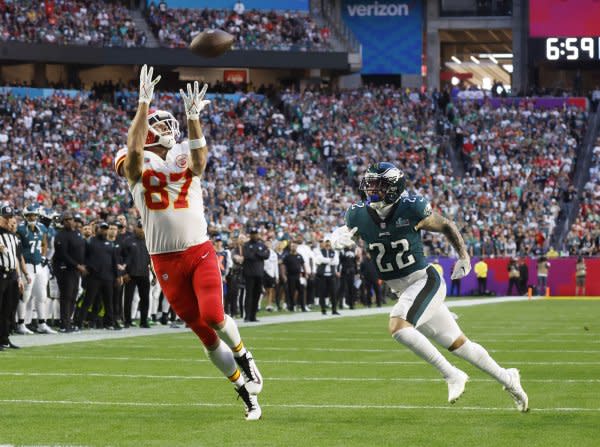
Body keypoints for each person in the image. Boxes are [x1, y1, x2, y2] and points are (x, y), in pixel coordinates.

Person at [117, 65, 262, 420]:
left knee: (213, 315)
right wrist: (142, 104)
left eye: (169, 123)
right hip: (163, 259)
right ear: (147, 133)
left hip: (198, 249)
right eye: (159, 125)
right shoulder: (134, 156)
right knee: (203, 333)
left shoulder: (184, 150)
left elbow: (199, 162)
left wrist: (194, 119)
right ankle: (243, 389)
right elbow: (133, 158)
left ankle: (245, 355)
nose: (167, 129)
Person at [330, 162, 528, 412]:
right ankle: (509, 378)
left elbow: (446, 225)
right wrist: (336, 236)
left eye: (378, 185)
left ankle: (451, 375)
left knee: (399, 326)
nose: (372, 189)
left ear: (393, 187)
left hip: (424, 281)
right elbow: (345, 231)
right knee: (460, 345)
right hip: (403, 289)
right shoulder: (357, 214)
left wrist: (464, 256)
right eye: (370, 184)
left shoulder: (411, 208)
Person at [16, 204, 56, 334]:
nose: (32, 217)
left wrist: (44, 256)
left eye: (34, 215)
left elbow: (44, 243)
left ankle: (42, 323)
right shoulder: (20, 229)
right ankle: (21, 324)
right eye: (29, 215)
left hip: (39, 265)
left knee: (42, 295)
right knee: (25, 295)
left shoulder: (42, 228)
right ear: (25, 216)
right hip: (26, 265)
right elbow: (18, 249)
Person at [53, 211, 87, 332]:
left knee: (73, 296)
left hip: (76, 270)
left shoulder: (77, 233)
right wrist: (77, 265)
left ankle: (68, 321)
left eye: (70, 219)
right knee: (66, 296)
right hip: (65, 269)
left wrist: (82, 264)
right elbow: (63, 254)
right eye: (66, 219)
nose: (69, 221)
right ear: (62, 222)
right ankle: (64, 324)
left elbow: (82, 250)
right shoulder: (60, 235)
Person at [0, 205, 27, 350]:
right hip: (0, 273)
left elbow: (16, 259)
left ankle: (4, 339)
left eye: (10, 218)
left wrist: (19, 277)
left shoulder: (13, 237)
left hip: (11, 274)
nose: (8, 221)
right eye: (5, 218)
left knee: (8, 309)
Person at [122, 220, 151, 328]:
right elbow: (121, 257)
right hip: (130, 274)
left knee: (145, 299)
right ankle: (127, 321)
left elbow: (151, 259)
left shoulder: (149, 241)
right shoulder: (128, 241)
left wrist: (154, 273)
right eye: (140, 227)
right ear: (136, 228)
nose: (142, 230)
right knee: (128, 299)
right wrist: (124, 273)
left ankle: (144, 321)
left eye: (143, 227)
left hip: (144, 274)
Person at [242, 228, 270, 322]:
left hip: (259, 273)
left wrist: (256, 253)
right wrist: (259, 254)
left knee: (257, 295)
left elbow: (267, 255)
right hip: (249, 273)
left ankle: (253, 316)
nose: (254, 235)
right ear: (250, 235)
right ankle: (247, 316)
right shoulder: (246, 245)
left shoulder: (261, 245)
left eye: (256, 234)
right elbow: (247, 256)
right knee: (249, 295)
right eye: (252, 234)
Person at [314, 237, 339, 315]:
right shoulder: (320, 251)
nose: (328, 244)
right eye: (326, 242)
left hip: (331, 275)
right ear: (324, 244)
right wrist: (329, 260)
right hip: (322, 275)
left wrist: (325, 260)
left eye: (329, 242)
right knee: (322, 293)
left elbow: (336, 262)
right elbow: (318, 260)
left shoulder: (334, 252)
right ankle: (323, 310)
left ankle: (334, 310)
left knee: (333, 293)